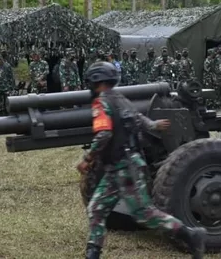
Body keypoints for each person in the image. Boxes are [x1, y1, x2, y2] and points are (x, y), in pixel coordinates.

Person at [77, 61, 205, 259]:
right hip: (118, 167)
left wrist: (88, 158)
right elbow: (139, 119)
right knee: (96, 208)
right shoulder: (120, 99)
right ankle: (92, 254)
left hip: (124, 168)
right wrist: (154, 125)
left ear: (96, 81)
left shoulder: (101, 103)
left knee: (144, 214)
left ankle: (191, 235)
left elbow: (104, 134)